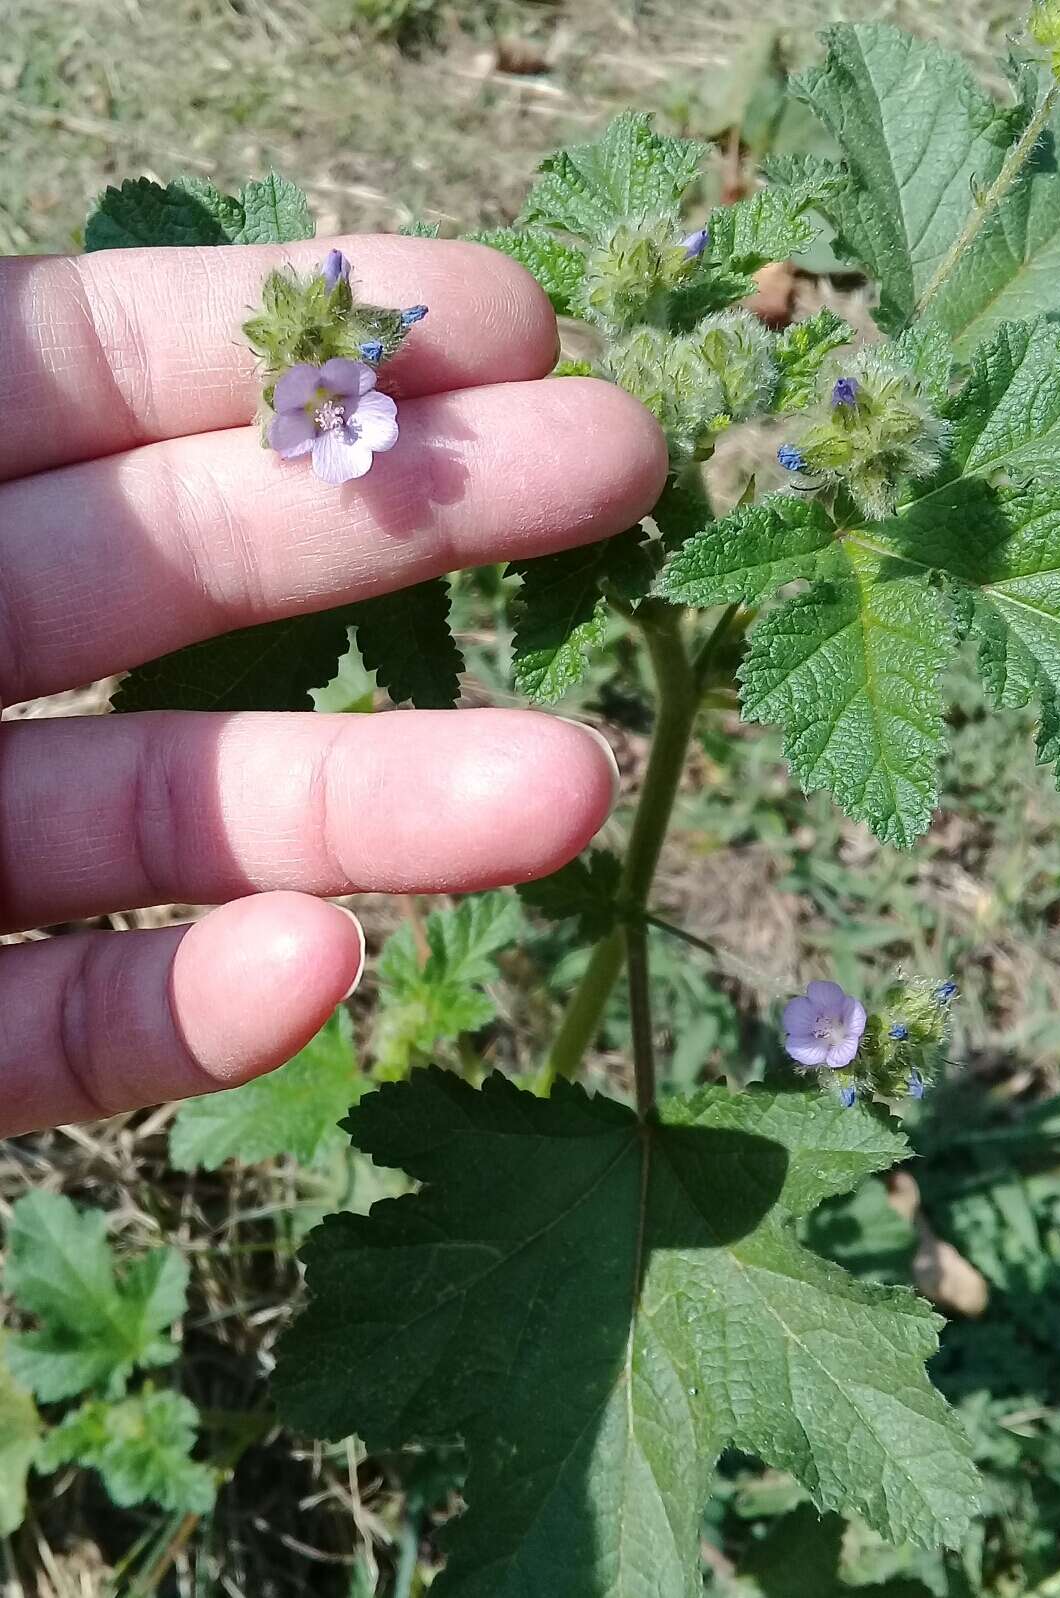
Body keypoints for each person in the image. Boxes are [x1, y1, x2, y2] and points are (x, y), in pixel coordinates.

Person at [0, 235, 667, 1136]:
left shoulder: (345, 394)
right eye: (310, 404)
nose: (323, 407)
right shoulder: (309, 410)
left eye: (333, 397)